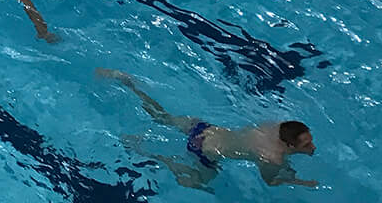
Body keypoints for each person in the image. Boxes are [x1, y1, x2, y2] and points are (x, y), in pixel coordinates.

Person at [96, 69, 317, 189]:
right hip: (204, 150)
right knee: (197, 182)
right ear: (288, 144)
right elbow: (271, 182)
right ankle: (149, 152)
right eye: (306, 144)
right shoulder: (272, 158)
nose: (312, 146)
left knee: (162, 116)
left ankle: (127, 83)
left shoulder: (275, 127)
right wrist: (301, 182)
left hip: (206, 128)